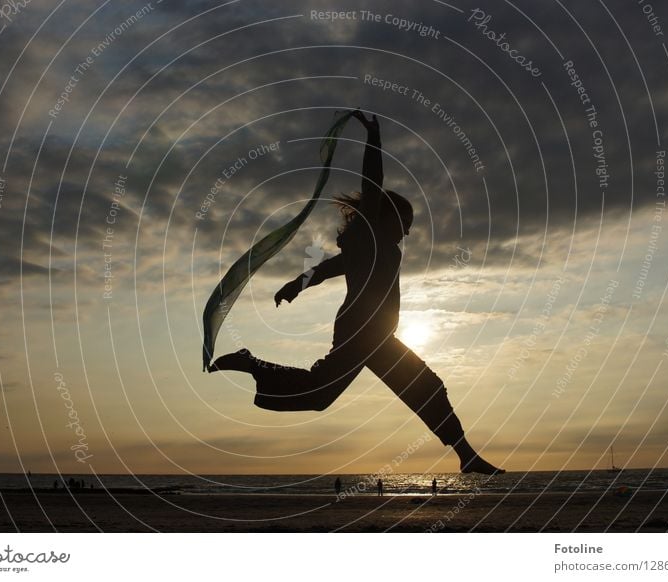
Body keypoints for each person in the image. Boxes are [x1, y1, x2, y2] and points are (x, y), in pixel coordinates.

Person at [210, 110, 503, 475]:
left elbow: (329, 267)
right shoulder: (372, 236)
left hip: (376, 337)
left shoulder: (375, 247)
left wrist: (297, 285)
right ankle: (252, 363)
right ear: (385, 217)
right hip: (363, 335)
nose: (408, 233)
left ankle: (468, 456)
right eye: (405, 224)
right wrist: (374, 140)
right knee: (353, 392)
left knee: (390, 390)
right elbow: (372, 183)